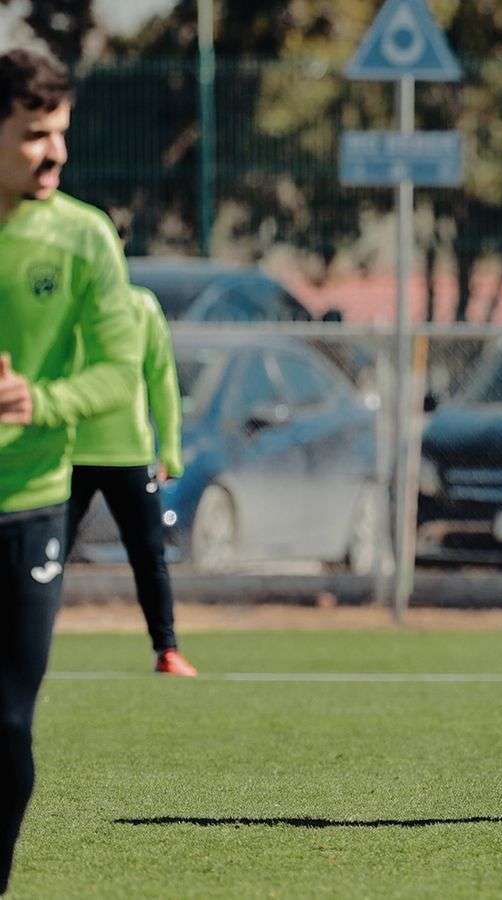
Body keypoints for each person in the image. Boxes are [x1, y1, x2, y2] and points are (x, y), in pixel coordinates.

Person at [0, 48, 141, 893]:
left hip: (29, 509)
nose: (53, 154)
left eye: (59, 135)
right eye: (30, 137)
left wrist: (36, 402)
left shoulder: (83, 234)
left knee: (7, 728)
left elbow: (119, 373)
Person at [65, 284, 196, 677]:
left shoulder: (141, 306)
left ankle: (167, 650)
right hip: (68, 454)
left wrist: (170, 448)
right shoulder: (66, 304)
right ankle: (18, 649)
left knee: (148, 555)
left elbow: (161, 375)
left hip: (130, 455)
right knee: (43, 561)